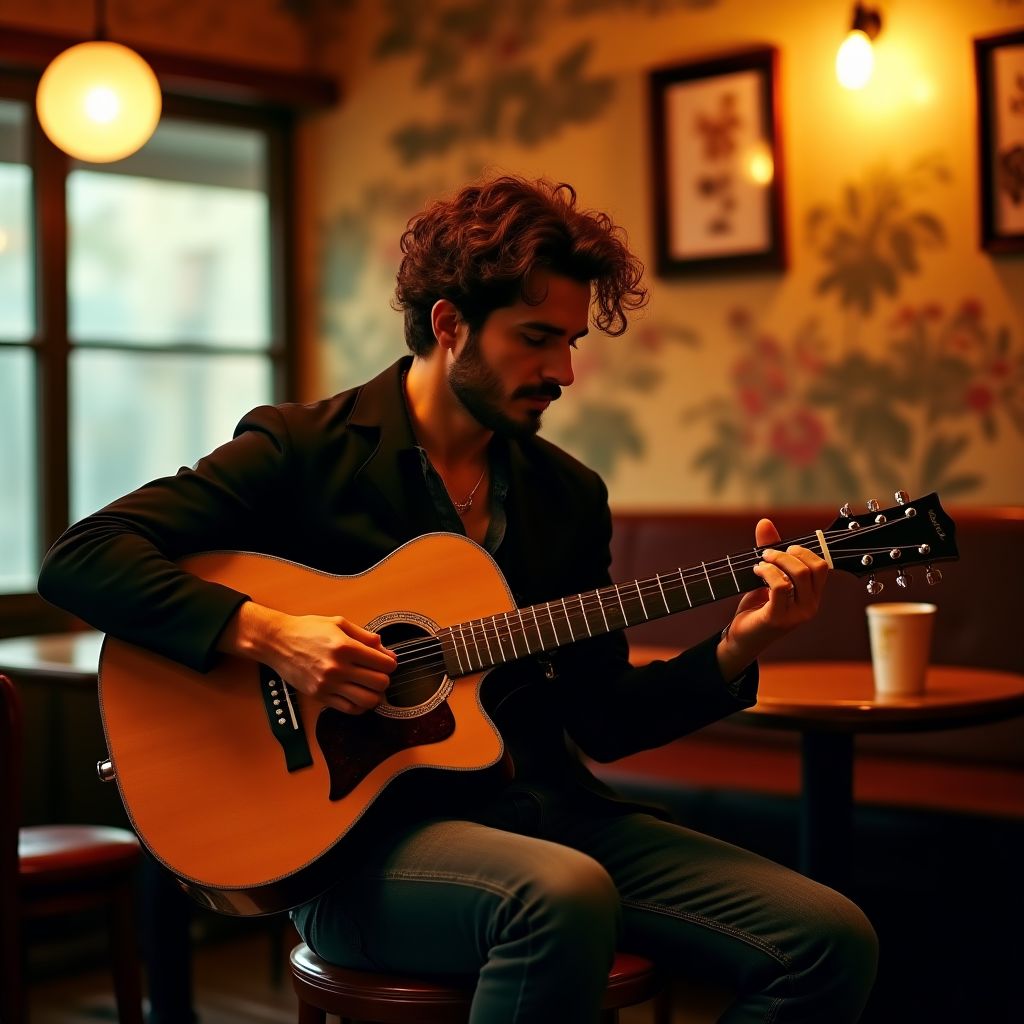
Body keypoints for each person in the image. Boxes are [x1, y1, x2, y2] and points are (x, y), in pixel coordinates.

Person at [38, 175, 877, 1023]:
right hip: (355, 850)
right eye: (538, 338)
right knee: (558, 895)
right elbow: (82, 557)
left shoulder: (566, 495)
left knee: (826, 938)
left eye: (574, 342)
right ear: (449, 324)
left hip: (546, 818)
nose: (565, 371)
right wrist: (271, 635)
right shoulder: (305, 450)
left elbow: (604, 720)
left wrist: (741, 644)